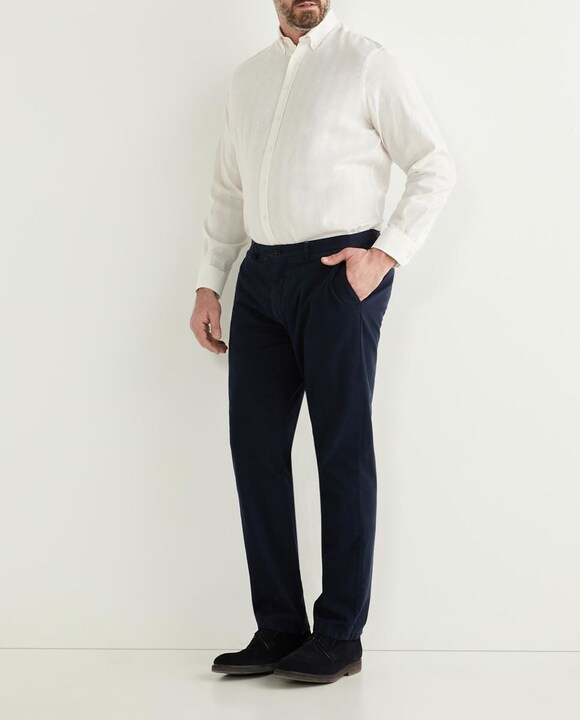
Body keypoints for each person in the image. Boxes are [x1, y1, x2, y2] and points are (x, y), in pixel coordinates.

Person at [190, 0, 456, 684]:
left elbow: (433, 164)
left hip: (341, 271)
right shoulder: (248, 78)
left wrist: (384, 255)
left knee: (341, 449)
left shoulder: (367, 63)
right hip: (261, 279)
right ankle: (280, 627)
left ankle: (340, 634)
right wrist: (210, 283)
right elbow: (228, 190)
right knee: (255, 449)